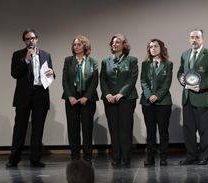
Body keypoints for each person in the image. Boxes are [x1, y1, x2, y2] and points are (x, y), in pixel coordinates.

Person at [7, 28, 55, 168]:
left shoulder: (46, 55)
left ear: (37, 39)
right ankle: (14, 160)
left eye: (32, 38)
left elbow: (50, 75)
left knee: (38, 129)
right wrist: (26, 59)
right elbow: (14, 73)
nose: (30, 41)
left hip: (40, 95)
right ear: (24, 41)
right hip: (23, 96)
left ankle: (35, 159)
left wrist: (53, 73)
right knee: (19, 129)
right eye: (27, 39)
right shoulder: (18, 55)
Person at [178, 29, 208, 165]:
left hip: (202, 96)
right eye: (192, 37)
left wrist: (201, 86)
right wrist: (181, 79)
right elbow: (180, 72)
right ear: (189, 39)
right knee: (189, 130)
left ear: (202, 39)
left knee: (204, 130)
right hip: (187, 97)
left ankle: (203, 157)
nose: (194, 40)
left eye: (197, 37)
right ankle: (191, 156)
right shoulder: (185, 54)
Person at [100, 34, 138, 167]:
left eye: (118, 42)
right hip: (110, 99)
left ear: (124, 45)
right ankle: (116, 157)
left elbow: (132, 79)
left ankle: (126, 157)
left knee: (125, 128)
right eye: (113, 42)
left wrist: (121, 94)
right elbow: (103, 80)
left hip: (126, 98)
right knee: (113, 129)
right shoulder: (106, 61)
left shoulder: (132, 60)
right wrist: (107, 94)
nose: (115, 44)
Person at [62, 35, 98, 163]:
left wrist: (86, 97)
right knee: (73, 128)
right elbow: (65, 80)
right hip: (71, 97)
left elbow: (94, 81)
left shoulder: (92, 61)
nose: (76, 46)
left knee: (87, 128)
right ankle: (75, 155)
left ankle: (88, 155)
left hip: (87, 98)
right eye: (74, 44)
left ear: (85, 46)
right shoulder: (68, 60)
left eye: (79, 44)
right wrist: (70, 96)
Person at [140, 39, 173, 166]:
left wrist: (157, 96)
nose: (152, 48)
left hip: (163, 102)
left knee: (163, 130)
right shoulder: (145, 64)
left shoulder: (168, 64)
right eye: (150, 46)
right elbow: (143, 81)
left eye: (155, 46)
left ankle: (163, 157)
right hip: (148, 102)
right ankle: (150, 157)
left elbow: (166, 84)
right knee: (150, 130)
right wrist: (149, 96)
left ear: (161, 48)